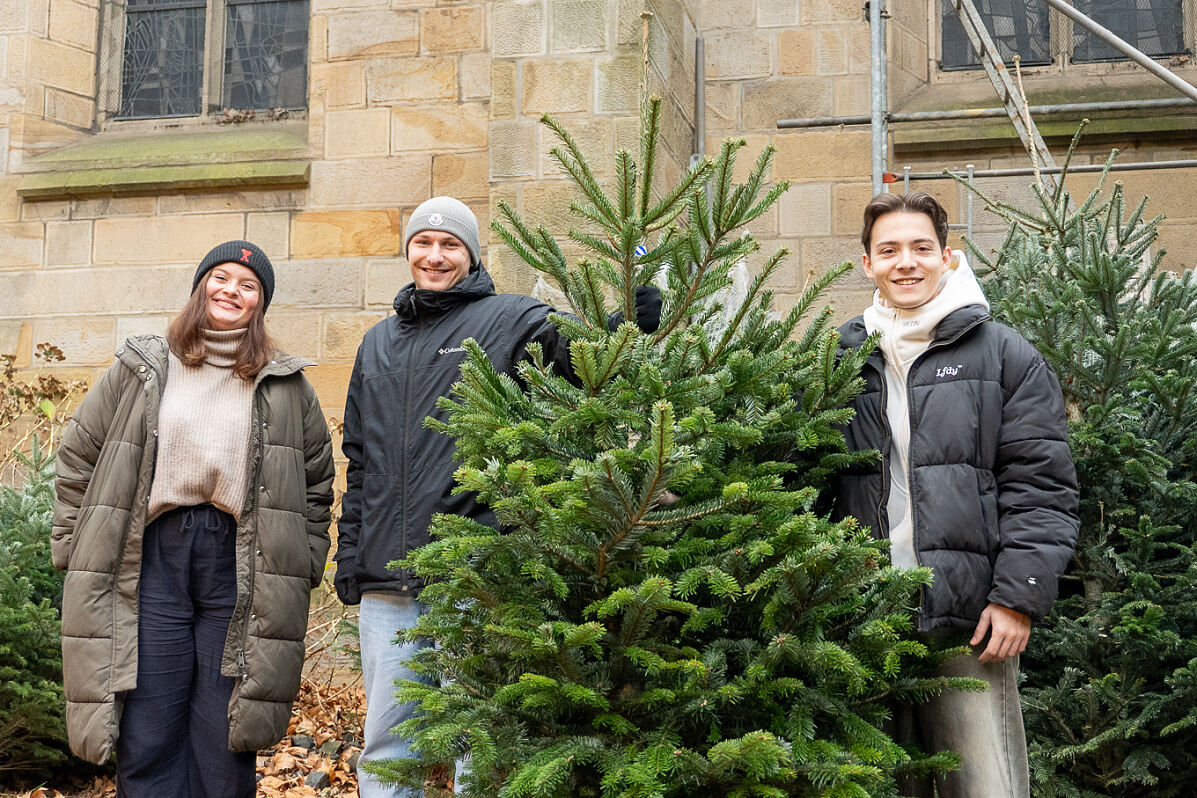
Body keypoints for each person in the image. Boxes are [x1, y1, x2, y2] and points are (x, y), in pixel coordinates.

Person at [334, 196, 660, 797]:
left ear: (472, 255)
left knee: (479, 748)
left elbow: (579, 353)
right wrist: (350, 561)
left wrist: (628, 322)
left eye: (450, 245)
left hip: (476, 578)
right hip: (387, 583)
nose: (435, 256)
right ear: (408, 251)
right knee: (386, 746)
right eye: (423, 243)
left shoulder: (506, 318)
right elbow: (360, 463)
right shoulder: (376, 343)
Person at [52, 240, 335, 797]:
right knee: (150, 715)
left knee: (223, 721)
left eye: (248, 285)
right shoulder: (144, 368)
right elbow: (79, 454)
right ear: (201, 286)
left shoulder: (286, 386)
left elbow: (317, 483)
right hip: (153, 556)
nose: (232, 291)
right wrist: (71, 542)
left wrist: (303, 563)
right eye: (222, 278)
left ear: (261, 304)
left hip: (241, 563)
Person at [833, 191, 1079, 797]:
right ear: (867, 265)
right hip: (863, 616)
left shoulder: (1004, 355)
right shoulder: (841, 359)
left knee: (981, 782)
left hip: (968, 619)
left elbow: (1040, 484)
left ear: (948, 256)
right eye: (888, 250)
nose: (905, 263)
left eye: (920, 248)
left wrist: (1017, 595)